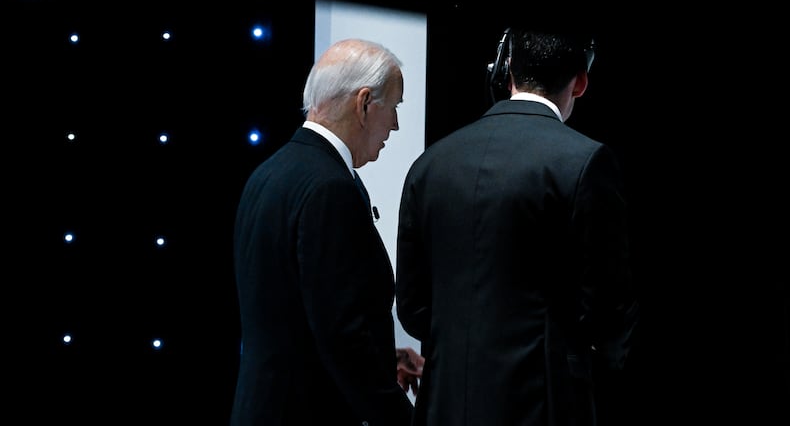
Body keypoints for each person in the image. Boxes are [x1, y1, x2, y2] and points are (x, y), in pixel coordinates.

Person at [394, 27, 640, 425]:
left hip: (443, 402)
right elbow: (609, 307)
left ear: (506, 72)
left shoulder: (430, 163)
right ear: (580, 83)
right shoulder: (586, 161)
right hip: (542, 404)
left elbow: (413, 307)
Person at [230, 38, 423, 426]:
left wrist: (386, 357)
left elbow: (296, 313)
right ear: (365, 103)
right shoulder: (330, 187)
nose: (397, 125)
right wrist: (402, 418)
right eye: (395, 108)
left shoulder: (268, 172)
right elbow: (341, 335)